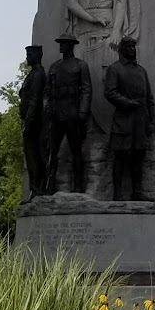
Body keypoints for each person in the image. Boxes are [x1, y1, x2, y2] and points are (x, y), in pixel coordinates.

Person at [103, 38, 155, 200]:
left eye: (134, 46)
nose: (133, 49)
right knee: (120, 156)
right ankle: (117, 193)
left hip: (140, 120)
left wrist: (153, 121)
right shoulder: (115, 69)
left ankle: (137, 192)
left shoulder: (141, 71)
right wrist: (127, 103)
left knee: (138, 157)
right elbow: (110, 92)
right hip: (123, 119)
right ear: (121, 49)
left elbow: (149, 98)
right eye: (129, 46)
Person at [44, 33, 92, 193]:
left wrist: (83, 112)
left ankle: (78, 185)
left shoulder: (80, 65)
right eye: (60, 43)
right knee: (52, 151)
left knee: (76, 150)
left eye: (64, 43)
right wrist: (47, 107)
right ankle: (49, 184)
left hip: (73, 114)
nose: (61, 46)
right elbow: (47, 91)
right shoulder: (54, 67)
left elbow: (86, 90)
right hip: (56, 114)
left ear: (71, 45)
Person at [19, 45, 51, 195]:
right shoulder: (33, 73)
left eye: (29, 54)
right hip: (32, 120)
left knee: (34, 156)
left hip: (34, 122)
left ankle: (37, 188)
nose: (27, 58)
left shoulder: (38, 74)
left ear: (37, 56)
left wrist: (28, 121)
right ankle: (35, 188)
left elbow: (34, 99)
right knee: (32, 156)